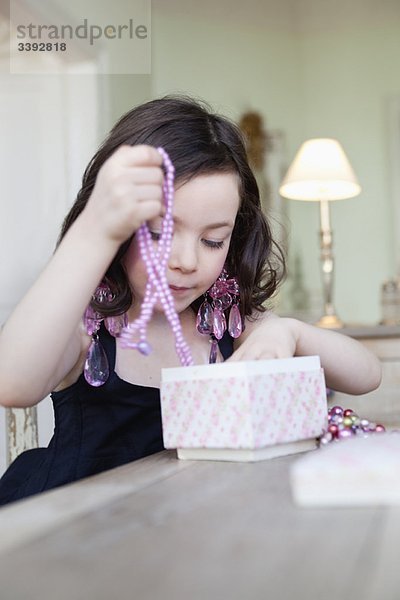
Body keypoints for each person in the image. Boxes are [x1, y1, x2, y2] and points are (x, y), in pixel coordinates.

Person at [0, 96, 381, 505]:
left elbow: (366, 375)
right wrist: (95, 229)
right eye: (160, 234)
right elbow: (13, 383)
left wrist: (286, 330)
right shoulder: (86, 327)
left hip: (190, 530)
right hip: (74, 533)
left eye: (212, 240)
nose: (186, 261)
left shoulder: (227, 321)